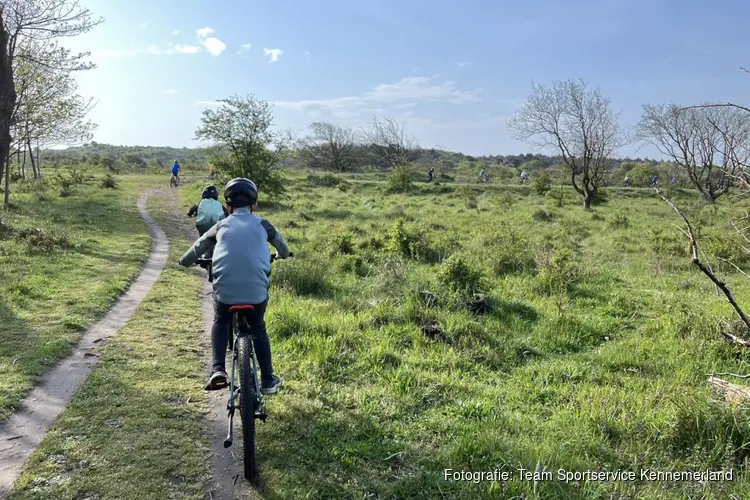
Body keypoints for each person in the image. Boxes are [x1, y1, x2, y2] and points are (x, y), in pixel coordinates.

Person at [178, 178, 290, 394]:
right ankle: (268, 380)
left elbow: (197, 247)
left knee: (220, 320)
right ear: (254, 205)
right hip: (256, 294)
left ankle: (218, 369)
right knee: (258, 326)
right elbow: (283, 248)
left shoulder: (220, 225)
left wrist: (184, 261)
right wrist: (280, 255)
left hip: (226, 293)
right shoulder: (263, 225)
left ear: (227, 207)